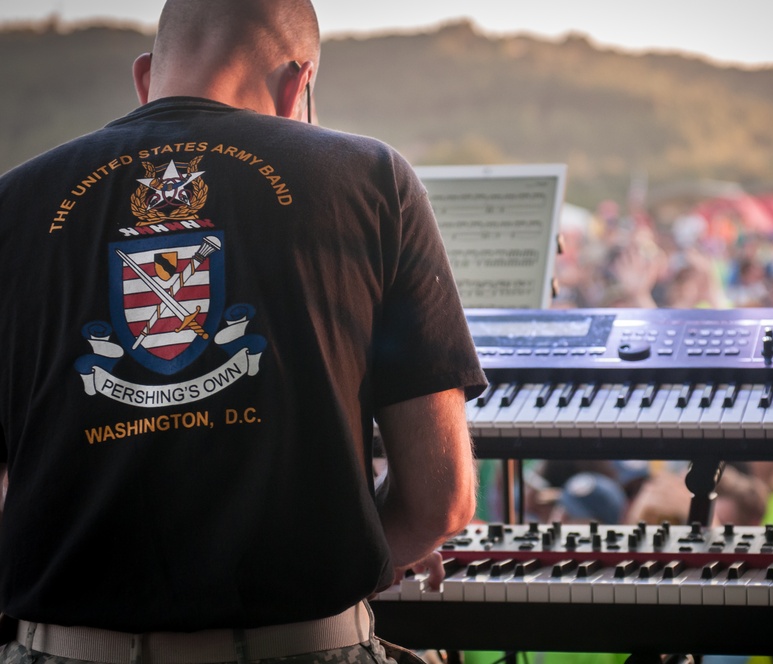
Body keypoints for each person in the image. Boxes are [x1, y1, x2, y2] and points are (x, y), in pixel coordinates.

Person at [0, 2, 487, 663]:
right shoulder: (372, 177)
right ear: (298, 83)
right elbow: (442, 501)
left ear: (145, 78)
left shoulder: (12, 203)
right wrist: (356, 556)